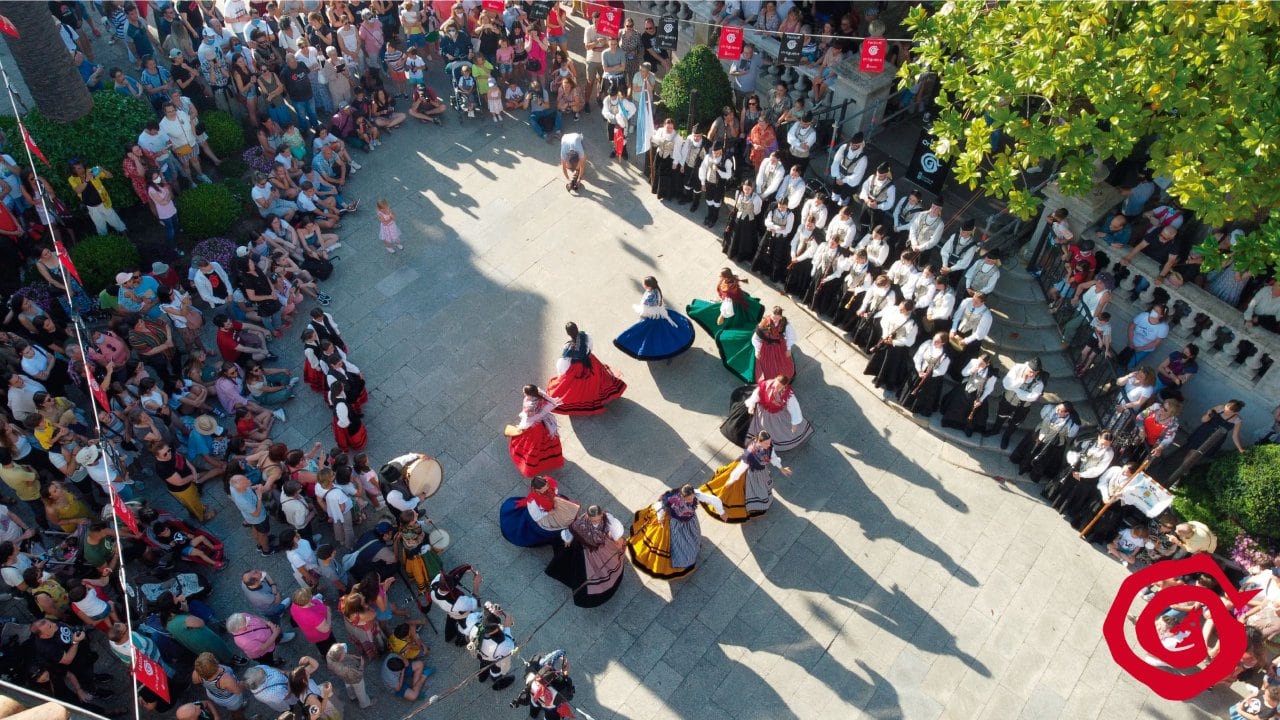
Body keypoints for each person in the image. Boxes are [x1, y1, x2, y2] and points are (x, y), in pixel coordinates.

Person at [628, 484, 723, 579]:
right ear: (682, 496)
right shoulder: (671, 499)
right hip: (672, 522)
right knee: (671, 541)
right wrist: (660, 518)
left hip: (688, 520)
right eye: (688, 499)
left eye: (692, 498)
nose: (691, 501)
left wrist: (722, 512)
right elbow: (659, 506)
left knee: (691, 536)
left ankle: (690, 547)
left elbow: (713, 499)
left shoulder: (695, 493)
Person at [687, 268, 766, 376]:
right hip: (739, 303)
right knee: (743, 316)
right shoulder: (733, 279)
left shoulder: (728, 295)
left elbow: (726, 311)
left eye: (721, 276)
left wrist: (720, 316)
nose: (719, 277)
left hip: (732, 309)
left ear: (725, 277)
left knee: (727, 323)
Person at [544, 505, 626, 608]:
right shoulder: (581, 522)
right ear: (588, 515)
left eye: (597, 519)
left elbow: (617, 531)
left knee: (609, 564)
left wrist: (617, 539)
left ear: (601, 514)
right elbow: (571, 531)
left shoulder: (608, 519)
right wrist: (568, 540)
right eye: (593, 520)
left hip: (602, 547)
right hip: (584, 550)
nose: (595, 522)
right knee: (580, 568)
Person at [545, 322, 626, 415]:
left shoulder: (568, 347)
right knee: (597, 378)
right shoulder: (586, 336)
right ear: (577, 328)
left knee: (576, 387)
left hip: (577, 369)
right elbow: (590, 347)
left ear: (568, 333)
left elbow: (563, 366)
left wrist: (562, 376)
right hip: (591, 362)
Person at [612, 276, 696, 362]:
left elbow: (645, 311)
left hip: (652, 318)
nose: (643, 284)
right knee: (668, 333)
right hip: (661, 314)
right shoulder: (657, 291)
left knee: (650, 336)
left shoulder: (649, 297)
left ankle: (666, 352)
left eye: (644, 283)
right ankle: (671, 349)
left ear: (648, 286)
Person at [1044, 432, 1115, 515]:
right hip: (1076, 466)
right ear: (1099, 437)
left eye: (1107, 445)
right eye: (1102, 443)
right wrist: (1073, 462)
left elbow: (1099, 469)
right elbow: (1076, 451)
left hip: (1088, 474)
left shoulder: (1109, 453)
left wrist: (1082, 474)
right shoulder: (1089, 442)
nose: (1104, 446)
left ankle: (1066, 507)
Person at [499, 475, 580, 548]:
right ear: (536, 490)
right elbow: (536, 516)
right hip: (543, 516)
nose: (547, 490)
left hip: (553, 506)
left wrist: (554, 499)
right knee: (559, 524)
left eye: (547, 487)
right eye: (543, 490)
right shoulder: (532, 502)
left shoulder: (548, 484)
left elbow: (554, 490)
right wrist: (548, 513)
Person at [1009, 402, 1082, 482]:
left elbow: (1070, 435)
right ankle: (1024, 467)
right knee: (1030, 451)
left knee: (1043, 460)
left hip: (1052, 443)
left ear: (1066, 413)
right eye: (1057, 407)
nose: (1056, 410)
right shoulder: (1049, 409)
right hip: (1039, 434)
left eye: (1060, 410)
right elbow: (1042, 416)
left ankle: (1034, 475)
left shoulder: (1071, 424)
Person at [507, 384, 564, 478]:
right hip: (546, 423)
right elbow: (551, 403)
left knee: (532, 446)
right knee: (548, 441)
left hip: (535, 427)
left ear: (528, 393)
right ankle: (552, 460)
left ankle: (531, 466)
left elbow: (528, 419)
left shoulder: (529, 405)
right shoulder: (541, 394)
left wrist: (521, 427)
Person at [864, 300, 919, 396]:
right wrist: (885, 335)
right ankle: (878, 377)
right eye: (900, 307)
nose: (899, 310)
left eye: (902, 309)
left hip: (897, 349)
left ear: (908, 311)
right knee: (881, 361)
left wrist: (893, 342)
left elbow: (910, 341)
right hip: (886, 341)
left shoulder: (912, 324)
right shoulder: (894, 312)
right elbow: (884, 322)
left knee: (891, 366)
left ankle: (886, 382)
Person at [989, 358, 1045, 449]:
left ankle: (1006, 437)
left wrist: (1015, 389)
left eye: (1035, 373)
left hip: (1023, 407)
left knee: (1015, 423)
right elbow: (1006, 384)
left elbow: (1032, 397)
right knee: (1001, 415)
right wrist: (1021, 381)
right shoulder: (1017, 369)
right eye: (1030, 372)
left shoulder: (1039, 382)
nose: (1032, 375)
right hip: (1008, 399)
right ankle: (995, 430)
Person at [464, 601, 517, 690]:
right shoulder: (502, 645)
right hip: (493, 658)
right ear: (498, 627)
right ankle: (496, 682)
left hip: (480, 654)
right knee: (495, 669)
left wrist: (488, 613)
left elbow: (477, 617)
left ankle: (482, 676)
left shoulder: (474, 626)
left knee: (483, 663)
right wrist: (507, 626)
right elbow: (511, 645)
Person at [67, 159, 126, 236]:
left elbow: (110, 176)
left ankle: (125, 235)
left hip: (103, 202)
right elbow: (78, 190)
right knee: (100, 225)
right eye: (78, 168)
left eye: (81, 167)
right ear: (73, 170)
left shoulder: (91, 171)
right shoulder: (72, 179)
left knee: (115, 220)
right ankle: (106, 241)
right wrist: (87, 180)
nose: (82, 169)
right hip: (91, 207)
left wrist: (103, 170)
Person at [900, 332, 952, 416]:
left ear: (943, 343)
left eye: (937, 341)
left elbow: (942, 371)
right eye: (934, 339)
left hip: (932, 378)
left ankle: (917, 407)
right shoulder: (927, 344)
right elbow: (918, 356)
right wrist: (919, 370)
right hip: (920, 371)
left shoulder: (945, 356)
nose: (934, 342)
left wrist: (929, 373)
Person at [430, 563, 481, 647]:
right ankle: (460, 642)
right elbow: (475, 603)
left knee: (450, 623)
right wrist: (476, 584)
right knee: (465, 630)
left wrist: (464, 570)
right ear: (452, 588)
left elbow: (449, 577)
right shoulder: (459, 602)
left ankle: (449, 637)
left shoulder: (434, 584)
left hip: (450, 612)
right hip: (462, 615)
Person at [725, 179, 765, 264]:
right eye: (745, 189)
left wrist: (749, 212)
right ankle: (733, 252)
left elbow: (757, 211)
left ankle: (743, 256)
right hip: (738, 219)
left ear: (752, 189)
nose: (746, 191)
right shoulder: (739, 194)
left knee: (746, 239)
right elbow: (737, 206)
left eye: (748, 189)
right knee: (735, 235)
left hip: (749, 221)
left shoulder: (756, 199)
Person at [752, 308, 797, 382]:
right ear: (771, 315)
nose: (775, 320)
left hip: (780, 346)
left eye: (777, 318)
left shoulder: (784, 323)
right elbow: (755, 338)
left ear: (781, 317)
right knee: (767, 366)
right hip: (766, 347)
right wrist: (757, 350)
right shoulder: (765, 323)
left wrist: (788, 348)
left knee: (783, 364)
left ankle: (781, 379)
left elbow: (791, 336)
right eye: (773, 317)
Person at [326, 643, 373, 710]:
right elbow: (358, 675)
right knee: (360, 692)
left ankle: (352, 697)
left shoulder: (329, 656)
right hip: (356, 680)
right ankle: (365, 704)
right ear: (340, 658)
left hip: (345, 677)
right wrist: (362, 665)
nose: (345, 653)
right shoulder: (346, 669)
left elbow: (339, 657)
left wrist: (350, 656)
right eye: (344, 653)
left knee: (348, 686)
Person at [829, 132, 868, 207]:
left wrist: (843, 180)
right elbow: (836, 161)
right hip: (839, 176)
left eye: (856, 145)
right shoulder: (844, 147)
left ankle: (841, 209)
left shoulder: (863, 159)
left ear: (860, 144)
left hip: (850, 183)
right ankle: (832, 207)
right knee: (834, 195)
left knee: (843, 200)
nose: (853, 147)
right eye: (852, 144)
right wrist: (838, 177)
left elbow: (857, 176)